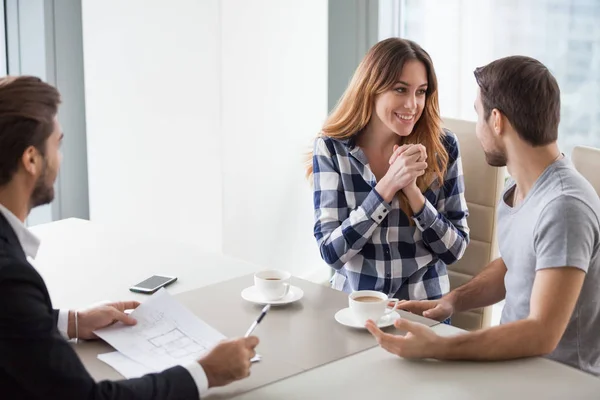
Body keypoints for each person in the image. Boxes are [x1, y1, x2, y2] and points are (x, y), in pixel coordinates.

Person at [0, 76, 259, 398]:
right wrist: (205, 373)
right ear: (31, 159)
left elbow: (11, 323)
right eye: (58, 143)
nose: (60, 157)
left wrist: (73, 322)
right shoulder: (10, 276)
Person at [366, 55, 600, 376]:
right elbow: (515, 264)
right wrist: (452, 302)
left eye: (477, 116)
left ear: (497, 120)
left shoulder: (564, 206)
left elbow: (542, 333)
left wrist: (440, 347)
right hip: (513, 370)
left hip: (556, 381)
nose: (476, 130)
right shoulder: (521, 189)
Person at [308, 38, 469, 302]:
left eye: (421, 91)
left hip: (421, 310)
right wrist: (386, 188)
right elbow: (331, 252)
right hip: (356, 310)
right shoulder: (331, 148)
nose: (412, 104)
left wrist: (414, 194)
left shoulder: (444, 147)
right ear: (371, 89)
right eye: (400, 89)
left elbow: (455, 250)